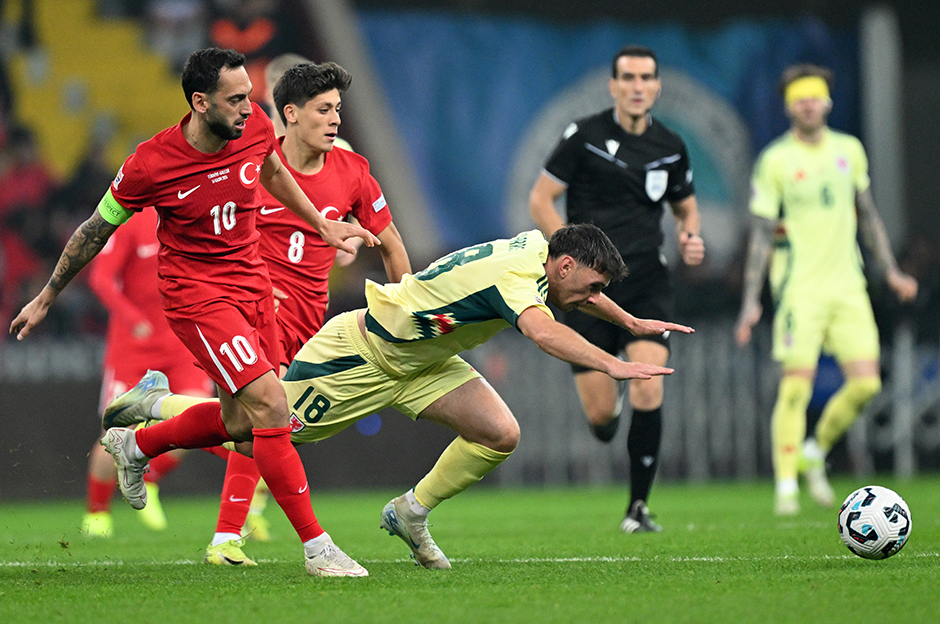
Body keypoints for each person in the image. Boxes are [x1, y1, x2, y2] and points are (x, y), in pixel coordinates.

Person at [106, 224, 693, 570]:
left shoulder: (541, 250)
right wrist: (615, 363)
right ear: (563, 265)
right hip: (362, 355)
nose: (592, 295)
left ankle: (409, 513)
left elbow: (576, 296)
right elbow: (543, 331)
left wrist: (633, 321)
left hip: (425, 362)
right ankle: (146, 428)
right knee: (258, 427)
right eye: (590, 285)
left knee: (500, 433)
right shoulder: (517, 280)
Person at [9, 47, 380, 578]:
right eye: (235, 100)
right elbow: (96, 229)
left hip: (253, 285)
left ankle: (137, 442)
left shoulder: (250, 127)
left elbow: (272, 171)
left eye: (249, 96)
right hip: (198, 297)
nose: (249, 109)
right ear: (200, 102)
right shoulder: (150, 163)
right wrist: (47, 295)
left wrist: (321, 227)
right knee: (275, 408)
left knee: (241, 424)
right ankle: (318, 548)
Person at [205, 60, 412, 565]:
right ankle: (236, 540)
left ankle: (152, 419)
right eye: (324, 110)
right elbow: (218, 232)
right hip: (250, 309)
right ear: (290, 114)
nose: (335, 119)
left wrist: (405, 310)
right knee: (265, 417)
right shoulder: (254, 166)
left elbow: (391, 244)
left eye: (338, 109)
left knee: (251, 426)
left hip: (307, 320)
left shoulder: (354, 172)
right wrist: (244, 285)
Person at [528, 45, 704, 533]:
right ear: (613, 85)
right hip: (585, 289)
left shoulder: (671, 145)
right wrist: (566, 253)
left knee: (649, 386)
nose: (637, 86)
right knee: (602, 417)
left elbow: (685, 206)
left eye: (646, 77)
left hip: (645, 280)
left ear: (657, 86)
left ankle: (638, 508)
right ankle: (609, 414)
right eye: (627, 77)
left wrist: (690, 234)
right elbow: (541, 198)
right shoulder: (583, 136)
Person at [734, 63, 918, 515]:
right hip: (800, 288)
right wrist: (751, 302)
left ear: (827, 102)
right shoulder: (776, 160)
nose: (808, 103)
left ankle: (816, 449)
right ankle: (785, 489)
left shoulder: (849, 151)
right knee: (795, 388)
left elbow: (867, 213)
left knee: (867, 383)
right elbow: (761, 234)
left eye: (814, 96)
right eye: (799, 97)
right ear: (788, 105)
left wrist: (891, 271)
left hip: (848, 285)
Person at [81, 208, 216, 538]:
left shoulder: (192, 215)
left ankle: (147, 477)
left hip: (182, 342)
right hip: (133, 348)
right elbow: (100, 278)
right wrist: (132, 319)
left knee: (199, 418)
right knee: (113, 436)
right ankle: (97, 514)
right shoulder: (130, 223)